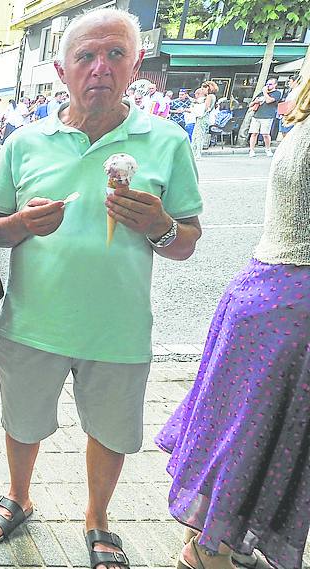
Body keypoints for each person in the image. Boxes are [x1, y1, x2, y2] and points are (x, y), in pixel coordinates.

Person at [0, 9, 203, 569]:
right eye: (86, 56)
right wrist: (22, 225)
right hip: (33, 321)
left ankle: (98, 517)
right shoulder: (25, 141)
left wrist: (158, 225)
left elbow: (186, 241)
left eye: (114, 55)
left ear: (136, 65)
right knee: (22, 420)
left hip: (118, 327)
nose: (100, 68)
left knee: (110, 430)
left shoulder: (167, 141)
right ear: (61, 69)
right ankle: (19, 495)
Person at [156, 76, 310, 569]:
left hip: (266, 293)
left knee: (247, 429)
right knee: (267, 434)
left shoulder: (301, 127)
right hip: (293, 307)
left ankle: (217, 543)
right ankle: (212, 549)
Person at [248, 78, 282, 156]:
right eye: (267, 84)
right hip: (256, 115)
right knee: (254, 133)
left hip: (267, 116)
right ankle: (252, 150)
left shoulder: (277, 93)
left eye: (270, 84)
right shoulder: (260, 94)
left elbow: (269, 101)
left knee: (265, 134)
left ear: (275, 85)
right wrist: (255, 102)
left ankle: (268, 149)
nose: (268, 86)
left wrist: (265, 92)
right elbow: (250, 104)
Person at [191, 81, 217, 158]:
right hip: (206, 117)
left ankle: (197, 152)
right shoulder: (213, 96)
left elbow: (206, 107)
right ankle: (196, 152)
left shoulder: (209, 96)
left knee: (197, 135)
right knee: (199, 134)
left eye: (203, 89)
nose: (202, 90)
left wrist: (198, 107)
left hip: (202, 116)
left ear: (207, 88)